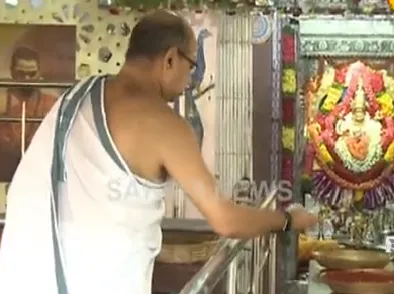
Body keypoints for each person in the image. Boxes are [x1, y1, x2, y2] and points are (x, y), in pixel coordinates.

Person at [0, 10, 317, 294]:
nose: (191, 81)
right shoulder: (163, 122)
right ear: (170, 59)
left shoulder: (73, 97)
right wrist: (287, 220)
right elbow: (224, 219)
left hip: (20, 278)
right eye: (191, 66)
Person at [0, 46, 57, 181]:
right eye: (21, 73)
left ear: (39, 73)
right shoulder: (1, 103)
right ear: (12, 72)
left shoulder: (52, 104)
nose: (26, 78)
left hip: (39, 178)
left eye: (32, 74)